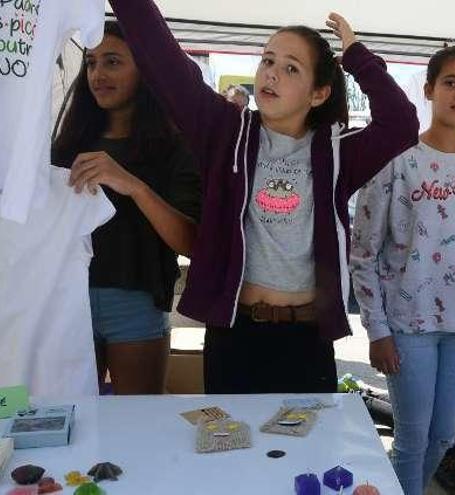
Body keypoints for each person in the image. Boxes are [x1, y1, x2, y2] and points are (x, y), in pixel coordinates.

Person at [108, 0, 419, 393]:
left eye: (291, 68)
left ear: (319, 93)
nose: (271, 74)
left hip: (307, 339)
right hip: (235, 336)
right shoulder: (224, 132)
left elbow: (402, 123)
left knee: (309, 454)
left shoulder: (336, 152)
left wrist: (356, 56)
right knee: (232, 449)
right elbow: (163, 60)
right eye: (268, 61)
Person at [350, 46, 455, 495]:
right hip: (408, 324)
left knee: (442, 436)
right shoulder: (397, 161)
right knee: (413, 438)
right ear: (430, 91)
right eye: (451, 83)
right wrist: (376, 329)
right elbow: (362, 252)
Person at [52, 21, 201, 395]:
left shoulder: (175, 146)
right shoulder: (68, 143)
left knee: (139, 425)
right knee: (69, 422)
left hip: (137, 300)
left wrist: (134, 186)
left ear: (145, 70)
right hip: (66, 298)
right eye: (90, 62)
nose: (98, 74)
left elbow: (191, 242)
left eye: (113, 62)